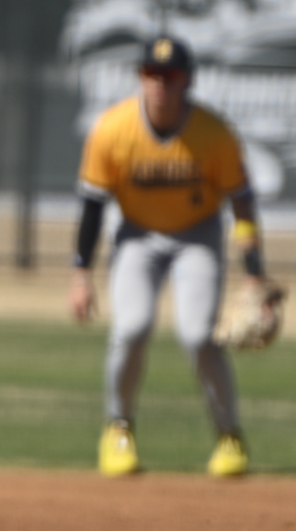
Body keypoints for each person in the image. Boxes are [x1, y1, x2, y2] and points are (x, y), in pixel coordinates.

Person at [68, 35, 264, 479]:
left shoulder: (213, 134)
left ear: (187, 81)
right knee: (131, 328)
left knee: (199, 336)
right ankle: (118, 428)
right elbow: (92, 208)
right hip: (136, 236)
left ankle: (228, 435)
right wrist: (80, 275)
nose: (160, 84)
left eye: (170, 75)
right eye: (151, 74)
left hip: (197, 236)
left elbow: (242, 202)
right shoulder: (113, 129)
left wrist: (254, 274)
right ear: (141, 78)